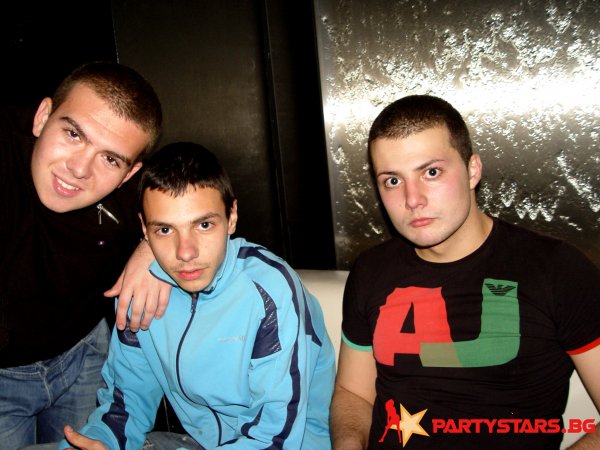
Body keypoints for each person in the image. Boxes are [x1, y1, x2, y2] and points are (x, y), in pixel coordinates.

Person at [330, 94, 600, 449]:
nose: (412, 199)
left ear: (473, 170)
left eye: (431, 172)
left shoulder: (555, 269)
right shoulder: (371, 270)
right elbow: (354, 393)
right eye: (392, 181)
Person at [51, 142, 336, 450]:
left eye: (203, 225)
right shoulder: (142, 292)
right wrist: (99, 442)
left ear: (232, 217)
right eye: (165, 230)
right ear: (144, 229)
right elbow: (124, 405)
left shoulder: (269, 293)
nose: (185, 253)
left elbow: (275, 439)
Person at [0, 61, 170, 449]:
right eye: (73, 134)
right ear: (43, 116)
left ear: (130, 174)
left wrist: (152, 246)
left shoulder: (134, 190)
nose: (79, 169)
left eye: (110, 158)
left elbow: (203, 198)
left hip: (84, 355)